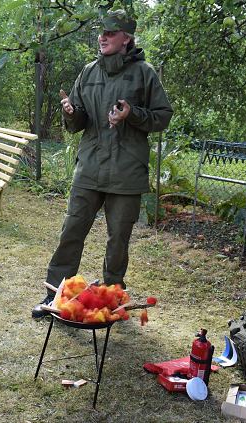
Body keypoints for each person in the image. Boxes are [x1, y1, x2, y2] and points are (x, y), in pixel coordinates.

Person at [31, 10, 173, 318]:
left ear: (127, 38)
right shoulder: (89, 71)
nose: (103, 37)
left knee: (118, 241)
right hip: (90, 168)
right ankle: (54, 296)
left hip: (126, 171)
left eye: (111, 33)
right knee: (71, 231)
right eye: (102, 32)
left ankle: (112, 300)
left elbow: (162, 116)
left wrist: (131, 114)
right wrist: (70, 112)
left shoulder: (144, 73)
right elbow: (78, 123)